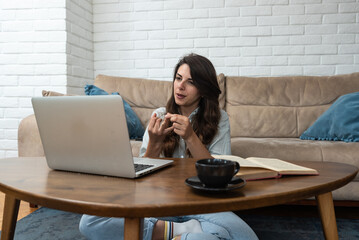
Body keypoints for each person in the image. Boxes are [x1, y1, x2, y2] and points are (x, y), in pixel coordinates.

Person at [79, 53, 258, 240]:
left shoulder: (220, 119)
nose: (180, 86)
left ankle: (171, 233)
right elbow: (141, 174)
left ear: (203, 90)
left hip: (201, 202)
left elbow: (220, 174)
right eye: (178, 78)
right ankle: (177, 232)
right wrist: (154, 144)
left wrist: (191, 137)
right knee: (90, 220)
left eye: (191, 82)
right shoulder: (160, 115)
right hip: (159, 200)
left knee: (245, 236)